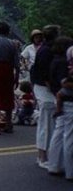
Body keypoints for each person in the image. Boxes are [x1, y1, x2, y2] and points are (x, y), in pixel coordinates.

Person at [31, 25, 60, 168]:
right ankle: (42, 156)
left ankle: (46, 155)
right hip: (45, 89)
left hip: (42, 87)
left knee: (48, 123)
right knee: (46, 124)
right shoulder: (48, 51)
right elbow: (44, 73)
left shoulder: (43, 49)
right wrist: (53, 89)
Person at [46, 36, 73, 179]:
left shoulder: (55, 60)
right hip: (69, 99)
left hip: (60, 98)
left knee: (59, 132)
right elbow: (66, 83)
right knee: (70, 136)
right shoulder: (65, 63)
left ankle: (54, 164)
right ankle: (70, 171)